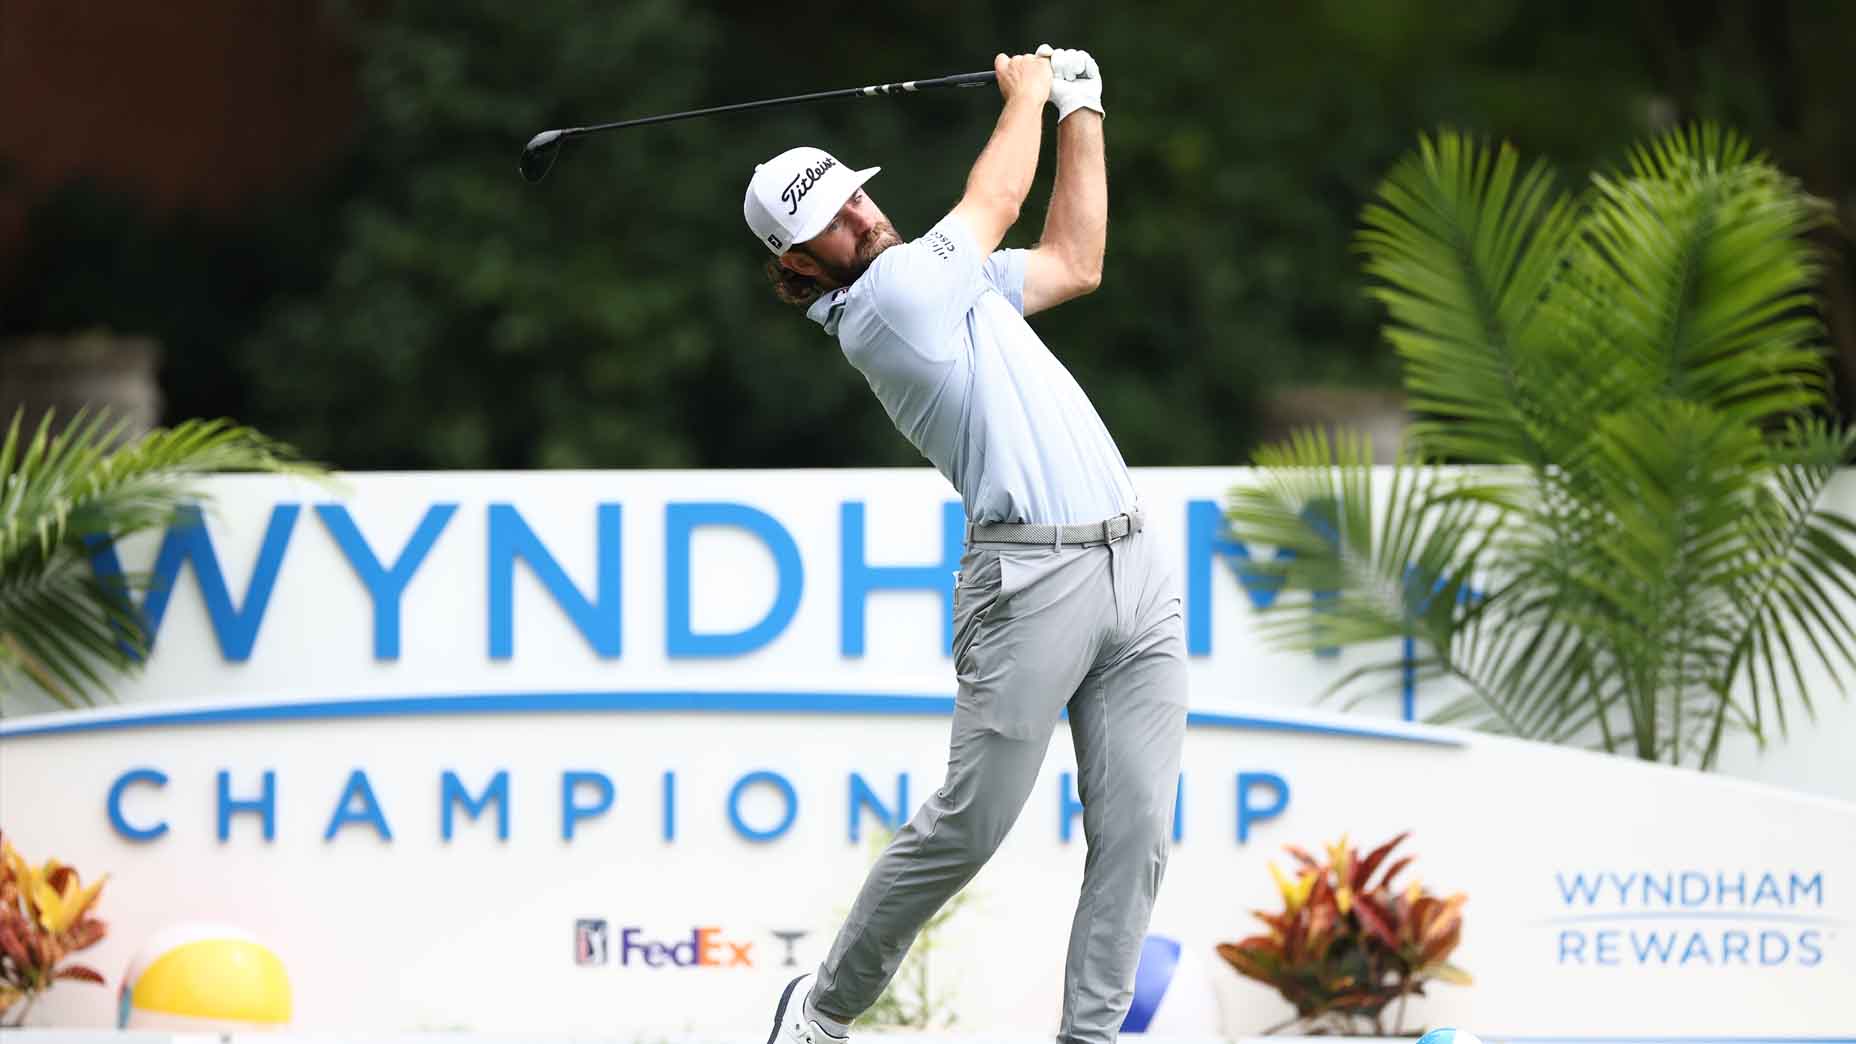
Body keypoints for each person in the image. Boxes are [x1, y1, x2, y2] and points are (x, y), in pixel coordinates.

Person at [743, 46, 1187, 1044]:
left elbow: (1076, 261)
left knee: (1138, 836)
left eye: (856, 200)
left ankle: (1089, 1036)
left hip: (1134, 567)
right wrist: (1027, 94)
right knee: (970, 825)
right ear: (800, 265)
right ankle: (819, 1010)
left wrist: (1081, 109)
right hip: (1028, 579)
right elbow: (994, 194)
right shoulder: (888, 308)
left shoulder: (945, 285)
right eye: (834, 223)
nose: (863, 216)